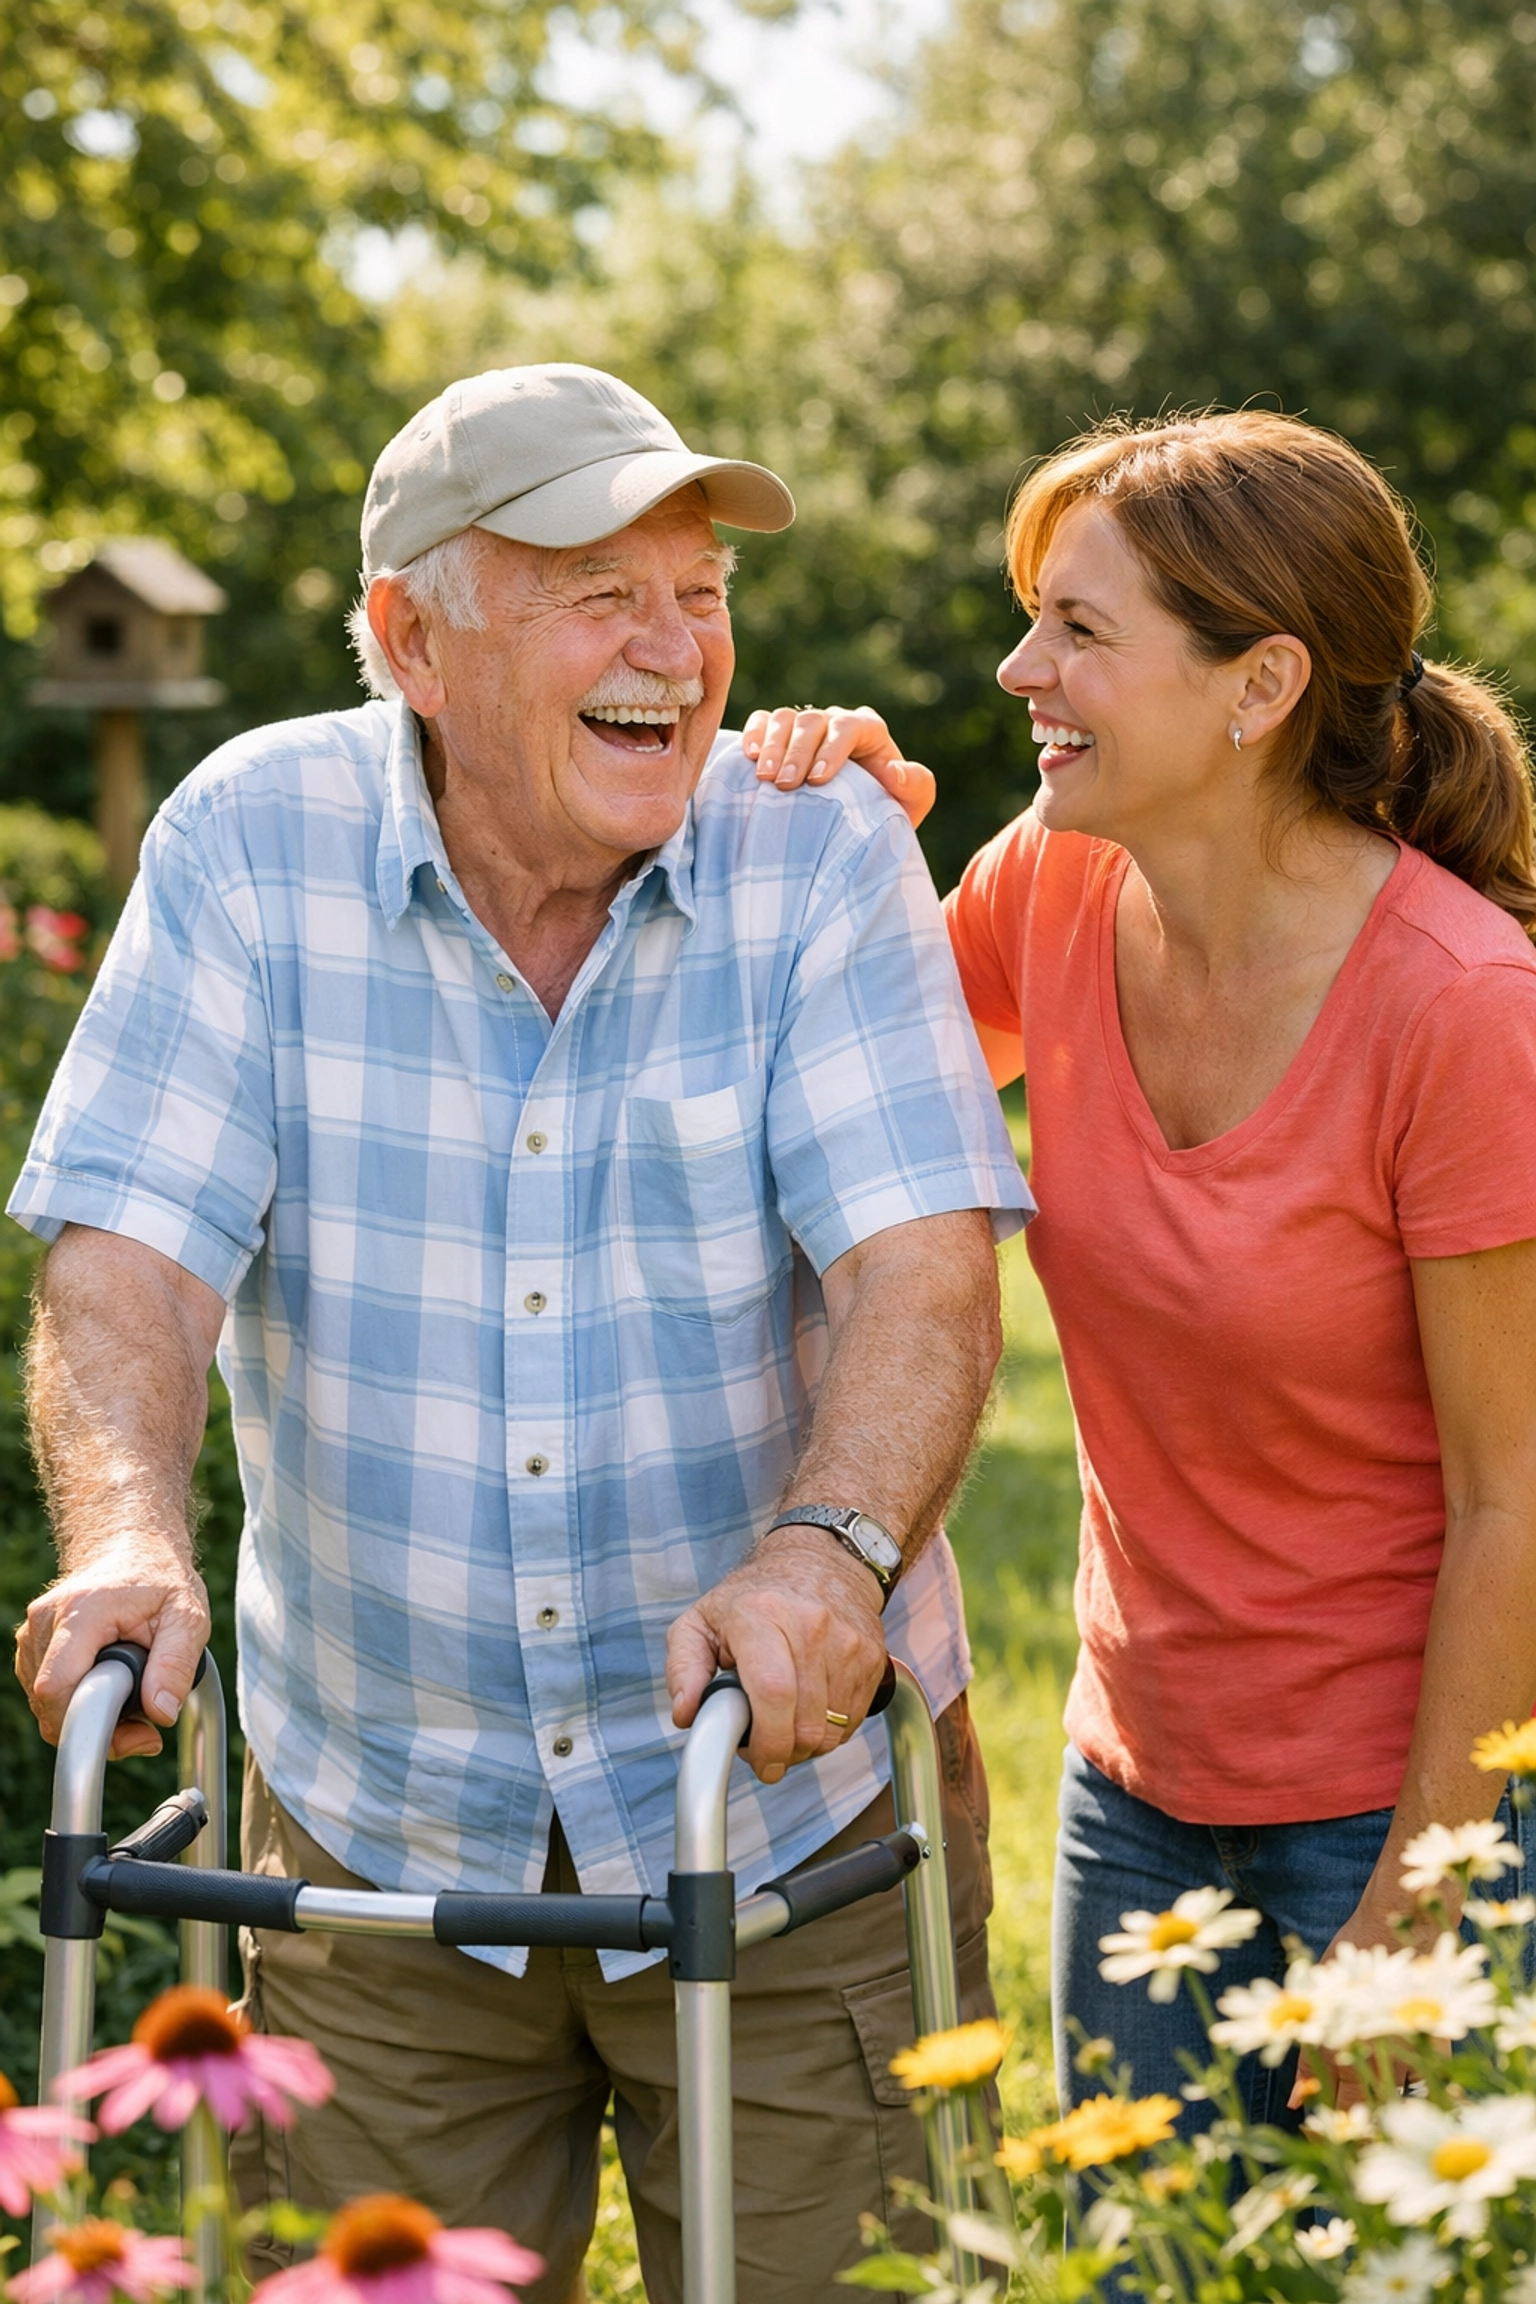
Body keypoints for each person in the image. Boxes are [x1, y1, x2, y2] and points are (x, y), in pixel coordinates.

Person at [10, 362, 1032, 2303]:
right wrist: (128, 1532)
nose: (678, 647)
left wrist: (828, 1550)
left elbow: (921, 1263)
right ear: (413, 637)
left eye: (702, 591)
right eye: (602, 592)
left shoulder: (816, 854)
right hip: (379, 1831)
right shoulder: (247, 847)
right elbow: (128, 1251)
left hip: (775, 1812)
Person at [749, 408, 1536, 2126]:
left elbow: (1516, 1507)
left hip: (1412, 1809)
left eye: (1081, 630)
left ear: (1260, 688)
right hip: (1138, 1785)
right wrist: (827, 848)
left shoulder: (1464, 1014)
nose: (1023, 665)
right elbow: (815, 1067)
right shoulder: (1048, 883)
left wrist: (1422, 1900)